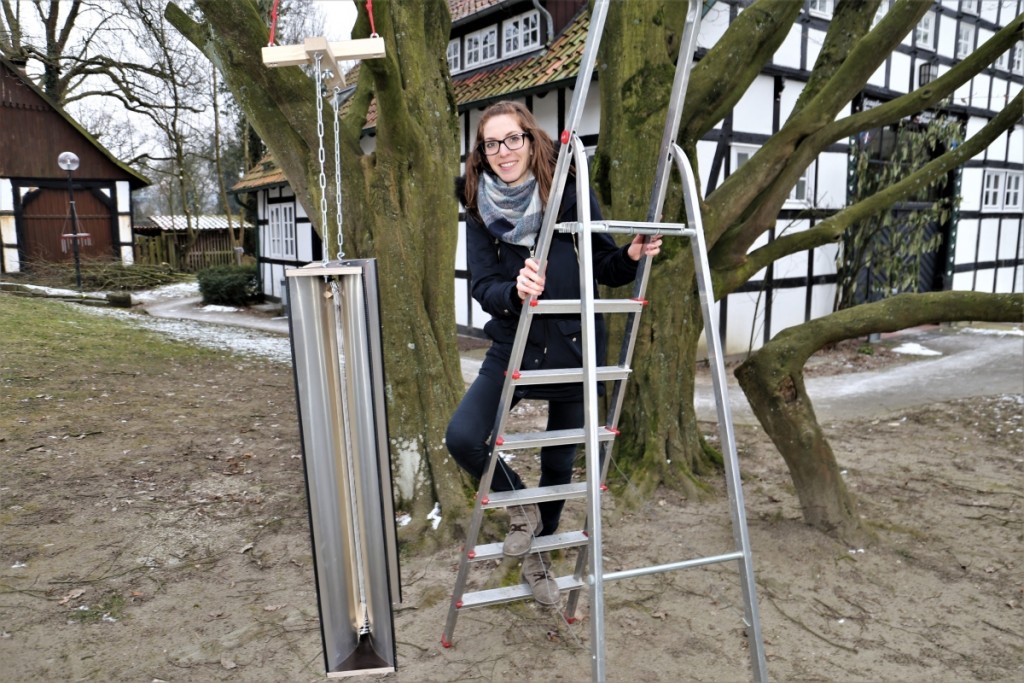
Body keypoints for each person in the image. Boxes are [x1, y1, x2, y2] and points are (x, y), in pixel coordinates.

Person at [445, 101, 662, 607]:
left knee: (560, 461)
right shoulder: (479, 204)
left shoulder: (570, 189)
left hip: (574, 342)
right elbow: (483, 284)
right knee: (463, 436)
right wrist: (514, 290)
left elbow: (605, 263)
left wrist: (629, 255)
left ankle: (540, 559)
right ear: (482, 152)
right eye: (491, 144)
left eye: (512, 139)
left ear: (530, 137)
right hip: (516, 342)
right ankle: (520, 507)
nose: (503, 152)